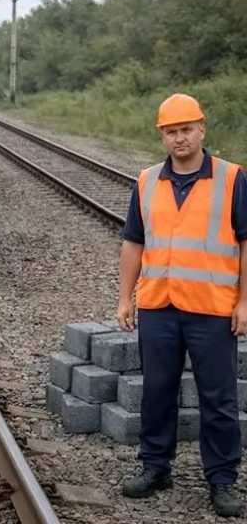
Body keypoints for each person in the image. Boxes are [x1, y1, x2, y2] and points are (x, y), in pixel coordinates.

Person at [117, 93, 247, 517]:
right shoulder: (147, 181)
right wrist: (125, 298)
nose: (180, 138)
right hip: (159, 305)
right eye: (171, 131)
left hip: (212, 307)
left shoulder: (231, 178)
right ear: (162, 136)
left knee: (219, 398)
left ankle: (222, 479)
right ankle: (155, 468)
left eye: (186, 129)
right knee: (157, 391)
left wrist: (244, 302)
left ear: (202, 129)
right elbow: (133, 242)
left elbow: (246, 242)